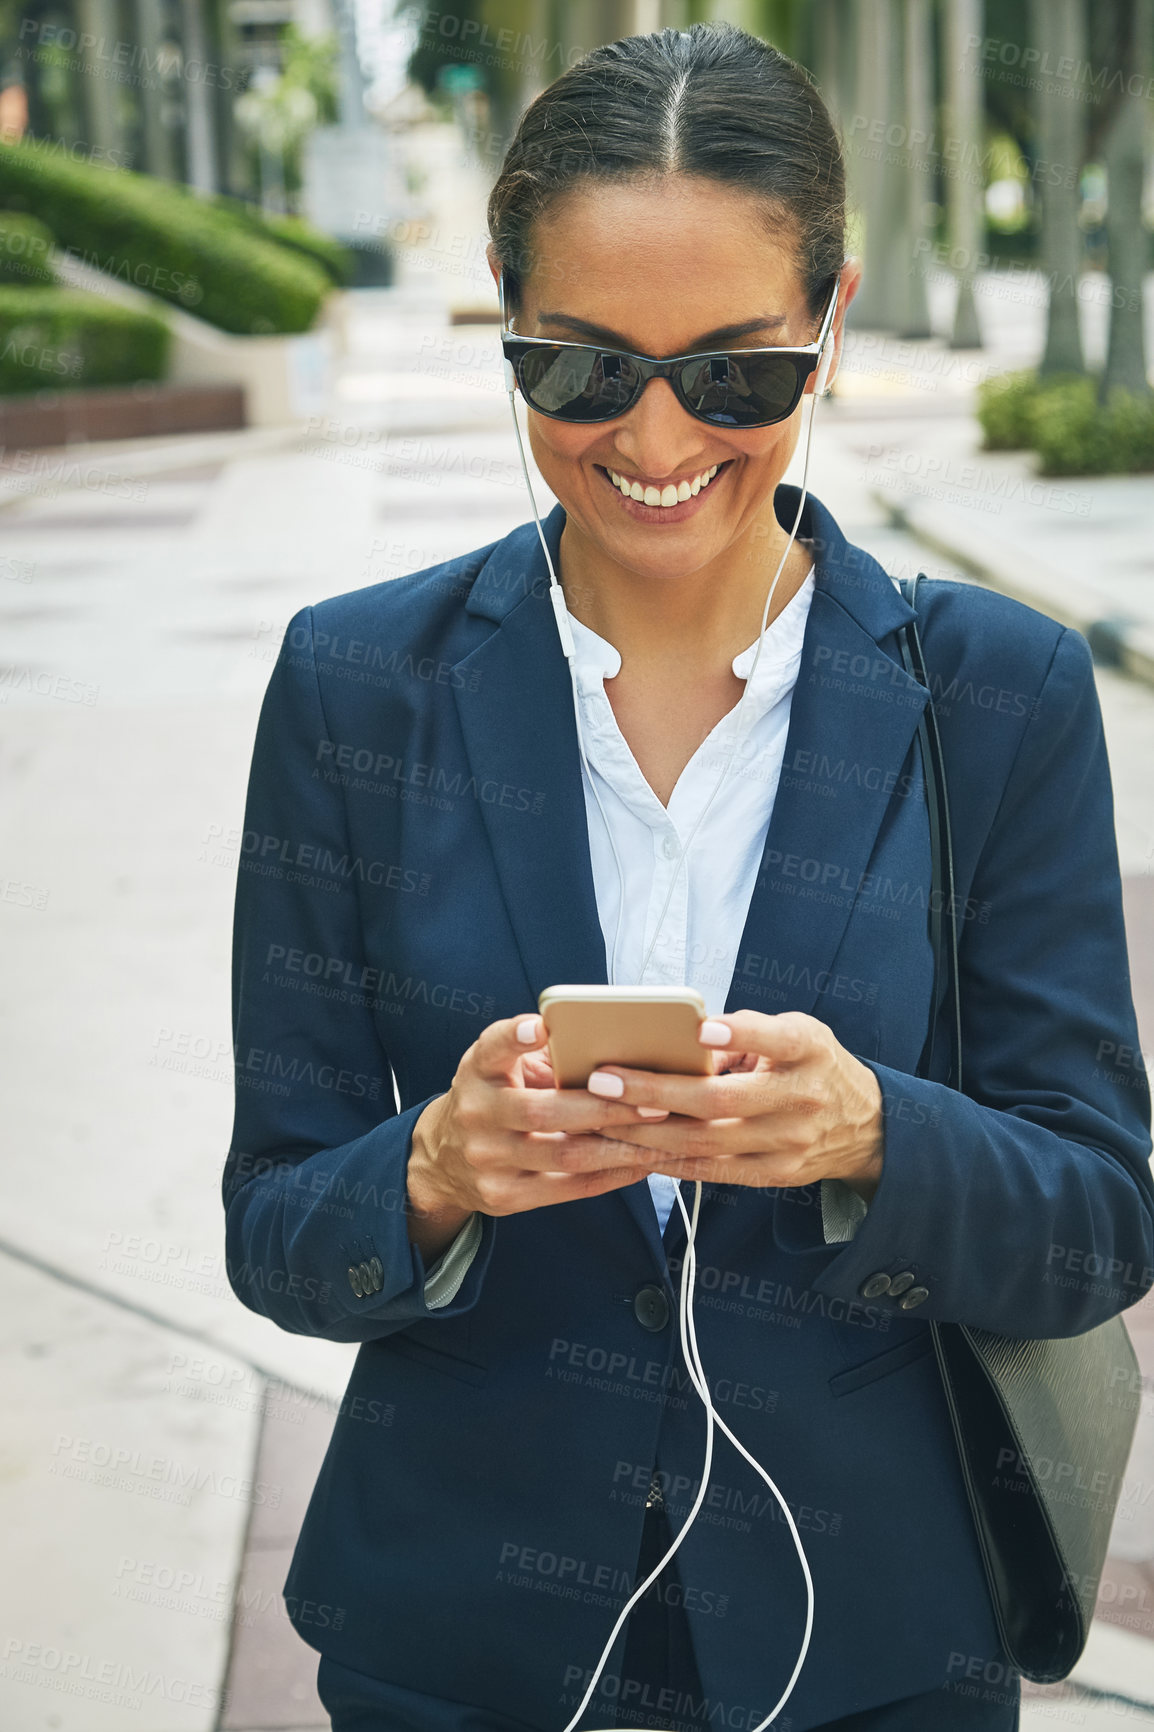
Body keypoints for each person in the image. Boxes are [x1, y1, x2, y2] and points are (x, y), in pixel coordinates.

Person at [221, 23, 1154, 1732]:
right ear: (501, 309)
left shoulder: (996, 694)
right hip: (460, 1649)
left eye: (736, 373)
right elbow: (277, 1227)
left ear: (831, 323)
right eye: (582, 367)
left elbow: (1097, 1224)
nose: (656, 437)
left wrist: (877, 1132)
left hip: (869, 1644)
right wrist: (432, 1167)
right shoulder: (357, 685)